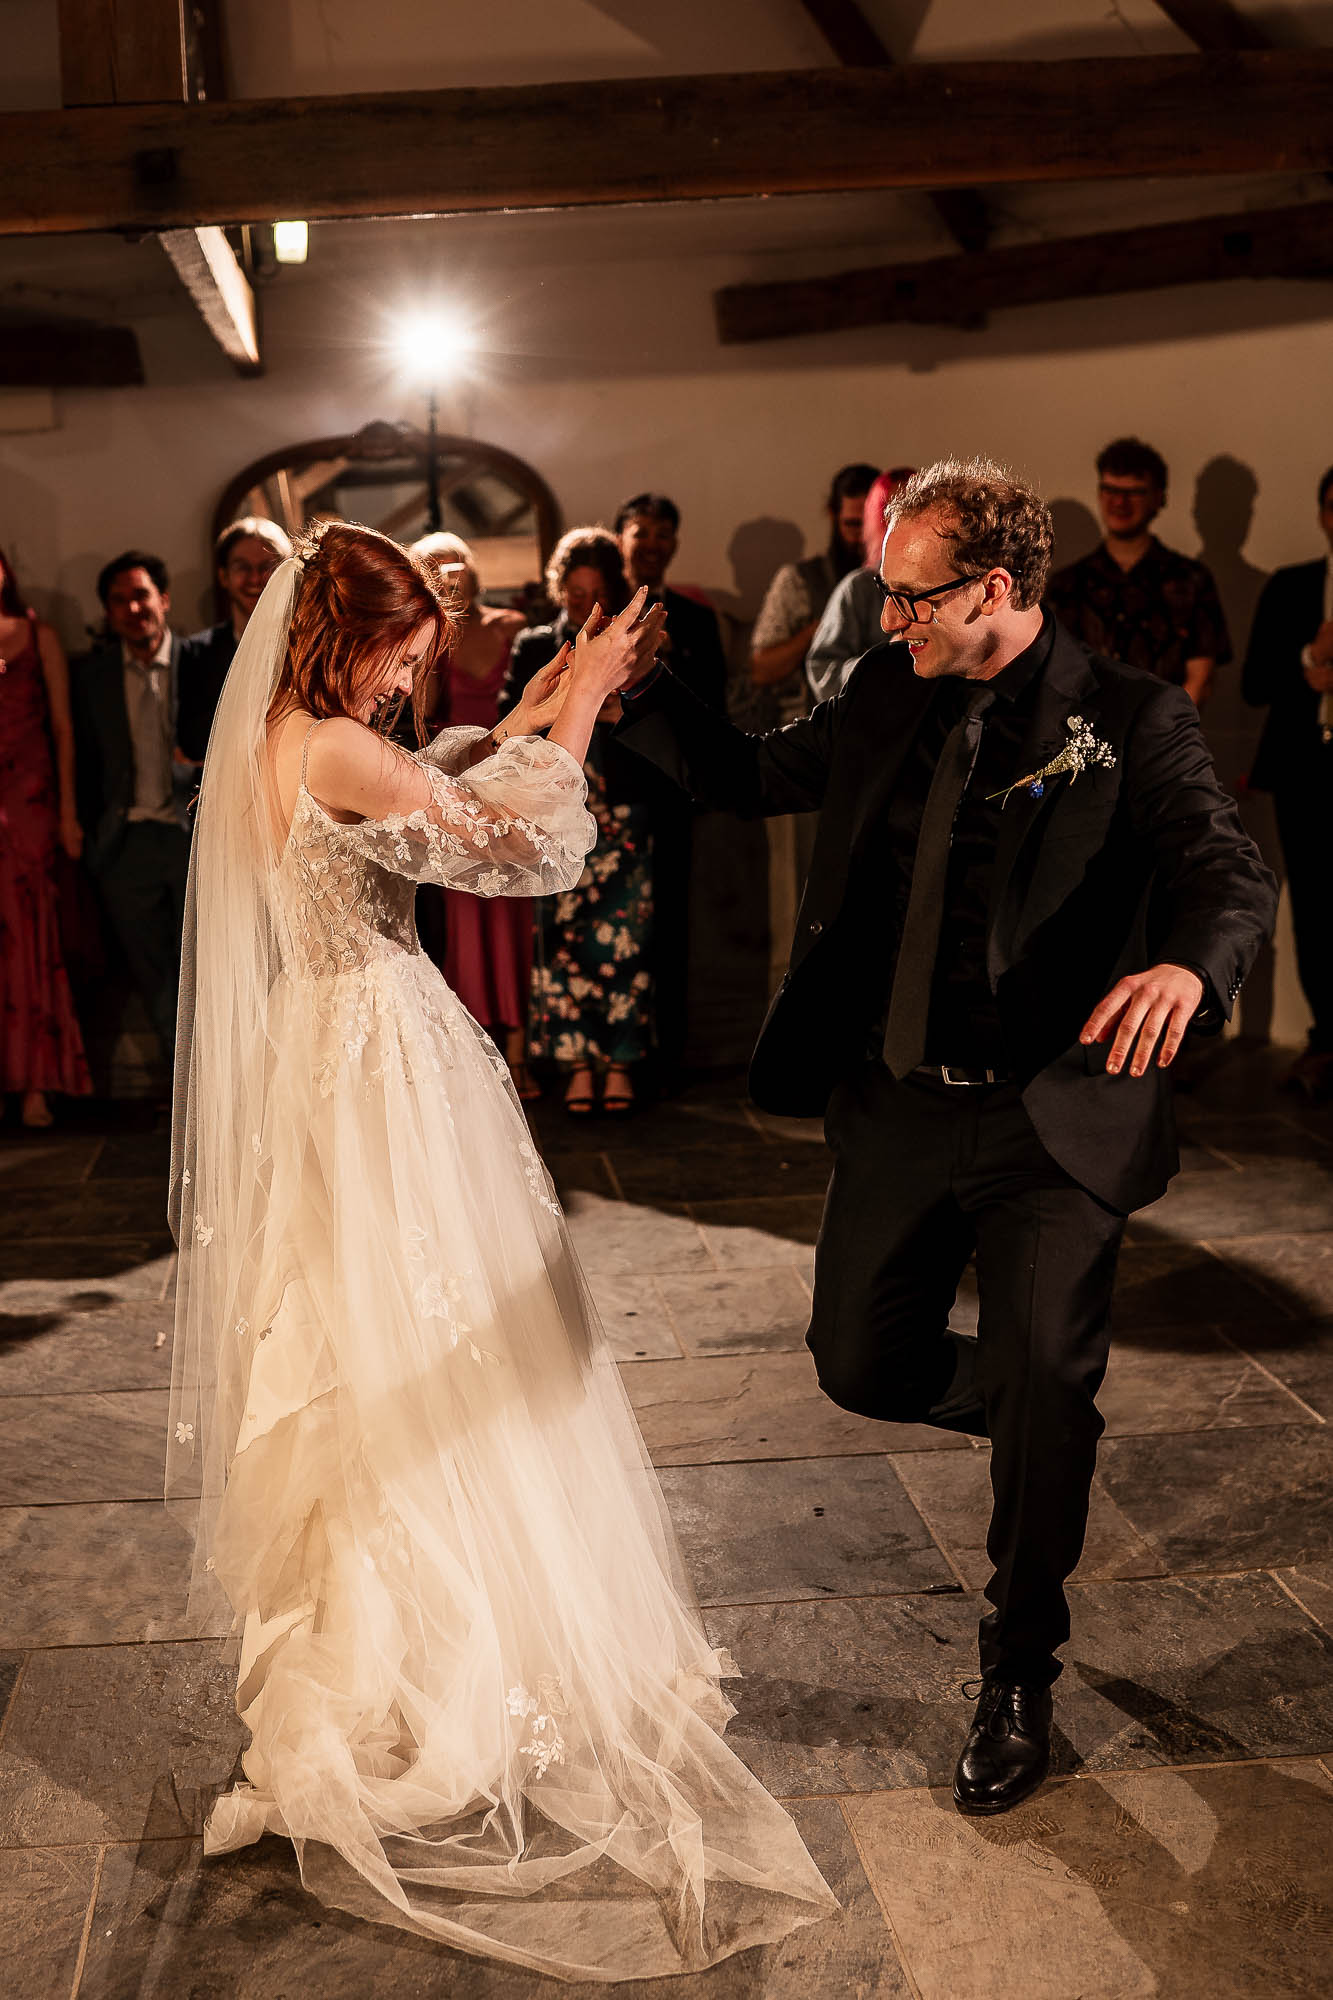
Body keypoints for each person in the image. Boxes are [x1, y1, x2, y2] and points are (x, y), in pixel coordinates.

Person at [165, 520, 833, 1976]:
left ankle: (372, 1645)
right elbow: (518, 849)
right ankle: (435, 1667)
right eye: (403, 653)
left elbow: (436, 773)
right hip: (388, 1063)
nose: (415, 678)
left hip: (319, 1056)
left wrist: (523, 709)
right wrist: (579, 703)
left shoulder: (283, 735)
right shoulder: (340, 747)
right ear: (350, 638)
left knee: (354, 1341)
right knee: (441, 1341)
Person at [616, 458, 1276, 1817]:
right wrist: (637, 688)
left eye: (913, 598)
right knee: (859, 1360)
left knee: (1040, 1372)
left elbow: (1225, 870)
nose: (890, 619)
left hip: (1052, 1115)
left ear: (997, 588)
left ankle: (1018, 1670)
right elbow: (742, 772)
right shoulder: (881, 690)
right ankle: (1045, 1415)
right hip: (901, 1102)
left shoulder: (1128, 716)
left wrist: (1185, 967)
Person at [508, 527, 668, 1115]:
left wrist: (612, 709)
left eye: (592, 594)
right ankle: (576, 1063)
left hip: (621, 808)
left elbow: (659, 721)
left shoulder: (632, 644)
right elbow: (513, 715)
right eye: (572, 593)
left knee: (627, 939)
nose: (581, 604)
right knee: (562, 939)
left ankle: (620, 1061)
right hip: (558, 808)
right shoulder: (535, 644)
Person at [409, 531, 535, 1098]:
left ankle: (522, 1050)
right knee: (462, 917)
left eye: (456, 566)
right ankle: (480, 1058)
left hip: (509, 778)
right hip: (457, 781)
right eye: (435, 572)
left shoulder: (512, 626)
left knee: (515, 911)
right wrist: (434, 641)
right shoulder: (428, 641)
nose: (451, 578)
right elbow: (425, 713)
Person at [750, 463, 880, 984]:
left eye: (867, 524)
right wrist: (821, 626)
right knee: (797, 897)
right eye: (850, 525)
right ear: (833, 516)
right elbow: (761, 667)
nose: (859, 536)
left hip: (868, 759)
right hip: (806, 755)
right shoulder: (800, 580)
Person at [614, 493, 726, 1079]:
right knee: (614, 921)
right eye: (642, 533)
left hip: (674, 787)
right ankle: (616, 1051)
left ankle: (668, 1053)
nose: (652, 544)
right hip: (611, 790)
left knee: (672, 919)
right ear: (622, 539)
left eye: (663, 534)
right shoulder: (603, 614)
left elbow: (715, 707)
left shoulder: (697, 619)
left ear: (675, 544)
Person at [71, 551, 193, 1063]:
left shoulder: (201, 662)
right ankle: (179, 1083)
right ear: (108, 612)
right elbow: (82, 761)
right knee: (152, 972)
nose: (133, 608)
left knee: (201, 965)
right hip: (124, 845)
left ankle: (219, 1084)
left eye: (141, 595)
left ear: (163, 599)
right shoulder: (91, 677)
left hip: (192, 839)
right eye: (119, 600)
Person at [1242, 463, 1333, 1103]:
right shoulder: (1292, 586)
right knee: (1317, 908)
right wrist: (1308, 661)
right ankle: (1327, 1041)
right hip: (1309, 772)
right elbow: (1255, 683)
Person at [0, 547, 91, 1125]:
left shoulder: (40, 635)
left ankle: (37, 1082)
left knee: (31, 934)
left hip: (29, 797)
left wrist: (68, 813)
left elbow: (63, 728)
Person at [1047, 437, 1231, 707]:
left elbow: (1200, 679)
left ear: (1159, 498)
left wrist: (1162, 728)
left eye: (1134, 492)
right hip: (1083, 729)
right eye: (1110, 490)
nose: (1119, 502)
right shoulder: (1067, 584)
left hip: (1165, 730)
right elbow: (1054, 676)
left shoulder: (1192, 581)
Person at [176, 517, 294, 763]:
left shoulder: (309, 645)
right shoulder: (197, 652)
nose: (255, 578)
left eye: (267, 566)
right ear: (223, 576)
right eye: (242, 567)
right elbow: (193, 742)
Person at [805, 466, 917, 702]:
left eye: (916, 510)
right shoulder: (859, 588)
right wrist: (881, 664)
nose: (907, 524)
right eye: (892, 513)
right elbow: (822, 672)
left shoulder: (956, 585)